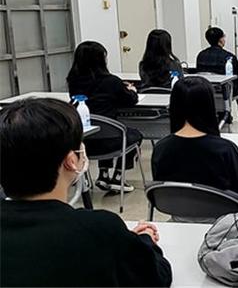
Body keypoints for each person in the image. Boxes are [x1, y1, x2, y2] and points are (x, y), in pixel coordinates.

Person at [0, 98, 172, 287]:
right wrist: (145, 241)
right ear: (71, 160)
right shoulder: (99, 230)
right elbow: (156, 277)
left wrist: (125, 242)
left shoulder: (99, 233)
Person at [152, 77, 238, 212]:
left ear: (173, 106)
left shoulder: (161, 148)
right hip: (226, 222)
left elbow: (161, 191)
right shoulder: (225, 149)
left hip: (179, 218)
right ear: (209, 106)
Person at [67, 41, 141, 193]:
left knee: (104, 130)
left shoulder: (73, 80)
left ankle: (104, 174)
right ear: (100, 60)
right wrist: (131, 89)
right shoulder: (111, 81)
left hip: (83, 142)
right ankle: (118, 177)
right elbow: (130, 100)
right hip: (111, 141)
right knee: (133, 134)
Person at [196, 26, 238, 102]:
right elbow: (237, 75)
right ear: (220, 39)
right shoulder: (229, 57)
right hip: (224, 90)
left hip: (205, 90)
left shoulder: (200, 55)